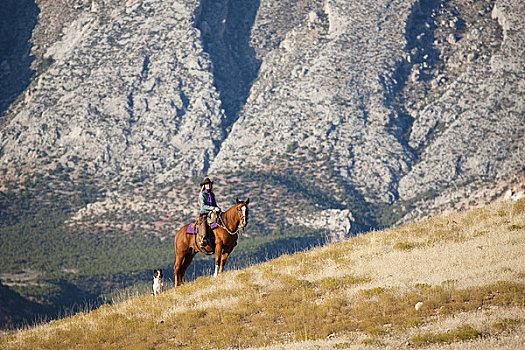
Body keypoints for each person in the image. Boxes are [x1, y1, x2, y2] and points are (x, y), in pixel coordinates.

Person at [197, 177, 221, 248]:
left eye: (209, 184)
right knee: (204, 227)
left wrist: (218, 208)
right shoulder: (202, 194)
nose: (208, 185)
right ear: (204, 185)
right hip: (205, 213)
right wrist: (213, 208)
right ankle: (202, 240)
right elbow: (203, 206)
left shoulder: (212, 194)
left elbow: (214, 204)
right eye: (207, 184)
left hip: (213, 212)